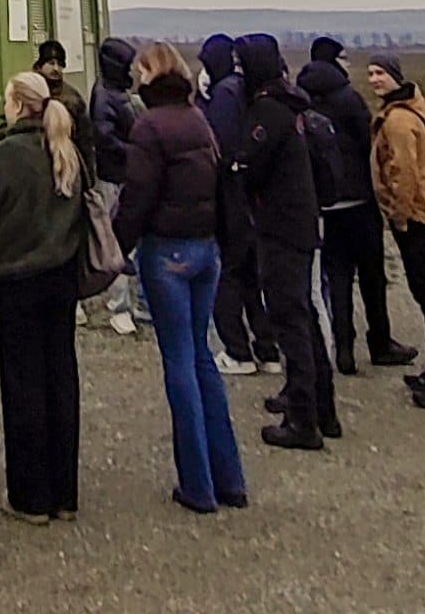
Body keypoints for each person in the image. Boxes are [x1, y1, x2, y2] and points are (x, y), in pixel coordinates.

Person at [116, 42, 247, 516]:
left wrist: (114, 247)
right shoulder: (197, 119)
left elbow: (138, 197)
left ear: (150, 75)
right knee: (202, 360)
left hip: (167, 251)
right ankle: (229, 477)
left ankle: (198, 485)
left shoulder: (149, 127)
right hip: (205, 249)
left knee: (179, 365)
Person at [0, 71, 84, 527]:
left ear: (16, 105)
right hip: (63, 276)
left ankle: (31, 496)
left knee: (24, 382)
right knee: (61, 377)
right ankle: (65, 493)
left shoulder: (6, 155)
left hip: (17, 279)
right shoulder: (66, 149)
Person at [233, 36, 339, 452]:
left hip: (281, 229)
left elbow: (250, 165)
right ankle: (320, 407)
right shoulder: (291, 105)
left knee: (291, 321)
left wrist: (236, 167)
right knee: (304, 317)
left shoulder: (268, 112)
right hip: (301, 224)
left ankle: (303, 419)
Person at [298, 37, 414, 374]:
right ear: (335, 60)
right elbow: (369, 143)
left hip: (326, 203)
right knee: (372, 275)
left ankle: (343, 348)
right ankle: (380, 342)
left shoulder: (302, 97)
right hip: (360, 201)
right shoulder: (348, 98)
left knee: (337, 277)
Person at [368, 54, 425, 409]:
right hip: (420, 216)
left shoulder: (399, 121)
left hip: (418, 219)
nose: (375, 80)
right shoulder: (404, 111)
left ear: (395, 77)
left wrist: (400, 215)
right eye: (372, 74)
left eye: (381, 74)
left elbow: (404, 174)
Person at [198, 33, 270, 376]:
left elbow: (220, 147)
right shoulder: (244, 89)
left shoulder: (224, 95)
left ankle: (237, 349)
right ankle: (267, 347)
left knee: (228, 273)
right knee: (252, 276)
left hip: (229, 197)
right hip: (251, 198)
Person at [88, 36, 149, 335]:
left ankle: (135, 302)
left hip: (127, 174)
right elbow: (105, 138)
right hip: (113, 177)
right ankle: (119, 306)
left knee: (131, 240)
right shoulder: (104, 96)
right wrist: (135, 150)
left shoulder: (119, 92)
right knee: (116, 243)